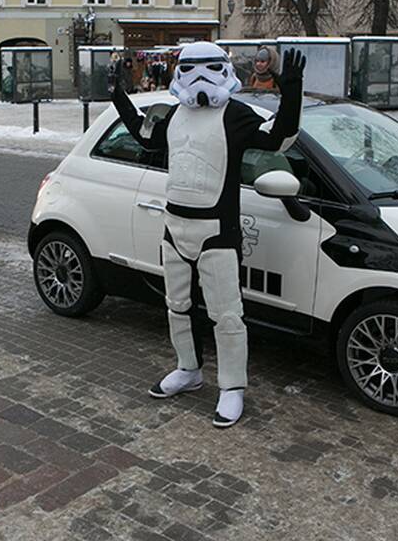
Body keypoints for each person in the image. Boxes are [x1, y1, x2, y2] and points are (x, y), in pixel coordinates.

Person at [112, 42, 304, 428]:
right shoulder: (174, 116)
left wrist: (291, 92)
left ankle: (232, 387)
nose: (200, 79)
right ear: (179, 72)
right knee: (177, 305)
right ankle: (188, 369)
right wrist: (119, 96)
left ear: (223, 70)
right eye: (191, 69)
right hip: (175, 227)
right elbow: (145, 134)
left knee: (227, 314)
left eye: (209, 69)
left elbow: (279, 138)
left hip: (217, 231)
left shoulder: (235, 115)